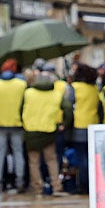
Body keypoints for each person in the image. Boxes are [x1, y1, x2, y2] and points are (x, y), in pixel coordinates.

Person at [22, 63, 73, 196]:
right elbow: (68, 109)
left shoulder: (28, 93)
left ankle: (37, 187)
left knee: (33, 161)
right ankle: (56, 186)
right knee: (51, 160)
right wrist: (64, 124)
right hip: (49, 131)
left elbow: (20, 110)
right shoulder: (56, 94)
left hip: (31, 131)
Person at [0, 59, 28, 194]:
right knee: (18, 154)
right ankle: (20, 182)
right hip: (18, 124)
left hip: (0, 124)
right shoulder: (22, 84)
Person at [70, 63, 104, 195]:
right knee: (91, 157)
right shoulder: (94, 88)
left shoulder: (74, 87)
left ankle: (84, 184)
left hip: (79, 126)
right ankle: (93, 183)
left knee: (81, 158)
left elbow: (69, 104)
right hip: (93, 125)